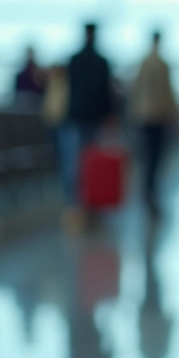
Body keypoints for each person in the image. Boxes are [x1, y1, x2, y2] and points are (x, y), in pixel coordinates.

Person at [62, 23, 114, 221]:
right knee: (90, 160)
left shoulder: (75, 60)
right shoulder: (102, 62)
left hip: (76, 116)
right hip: (94, 117)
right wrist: (109, 115)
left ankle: (75, 202)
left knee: (75, 160)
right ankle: (90, 201)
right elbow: (106, 94)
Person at [130, 30, 178, 218]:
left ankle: (146, 190)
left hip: (143, 116)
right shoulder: (163, 65)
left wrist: (134, 113)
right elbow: (167, 92)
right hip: (159, 115)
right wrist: (172, 115)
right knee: (156, 157)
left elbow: (136, 90)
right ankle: (151, 192)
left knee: (147, 155)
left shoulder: (143, 63)